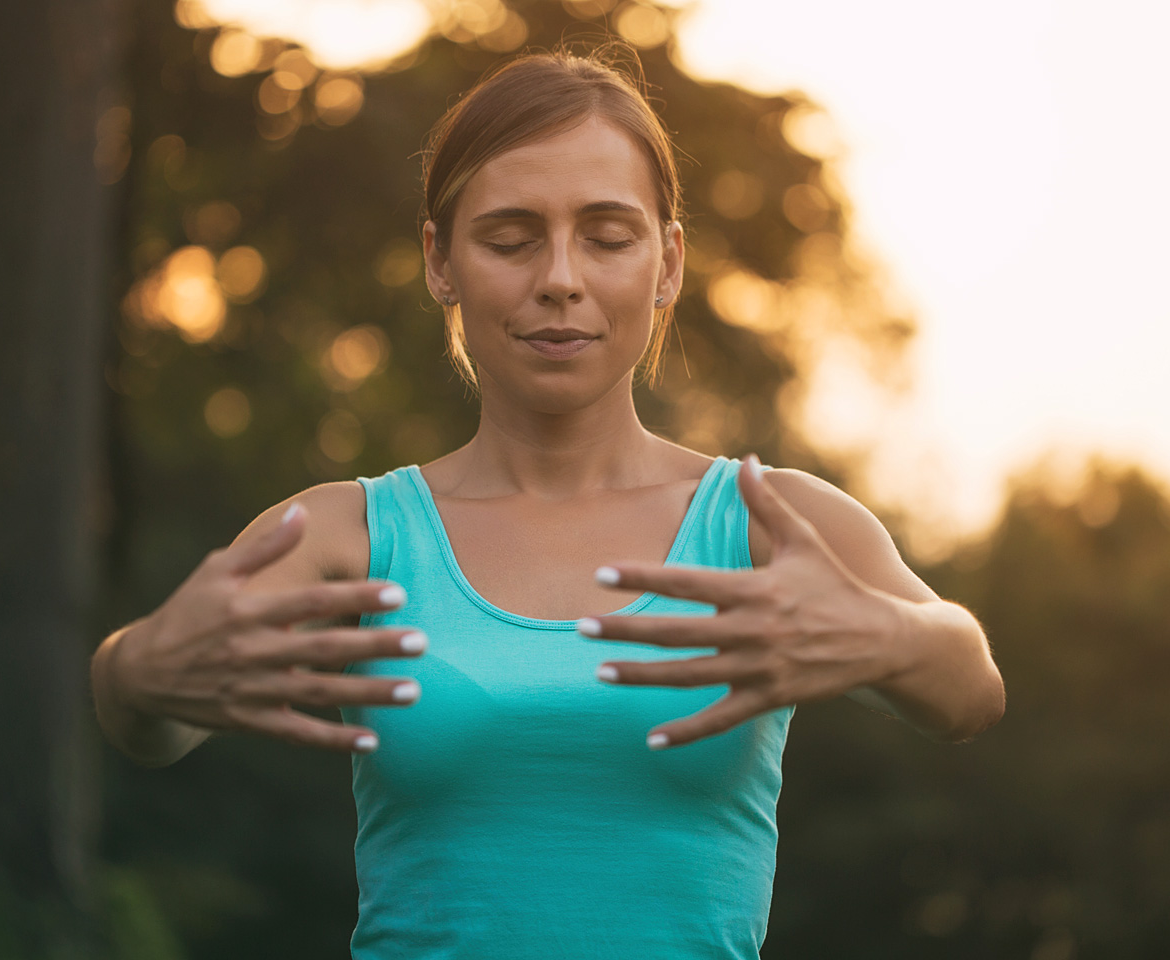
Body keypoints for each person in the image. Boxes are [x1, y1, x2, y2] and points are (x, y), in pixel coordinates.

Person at [90, 46, 1005, 960]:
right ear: (439, 260)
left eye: (608, 237)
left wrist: (890, 637)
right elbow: (147, 717)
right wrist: (138, 672)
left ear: (668, 263)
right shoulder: (349, 536)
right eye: (510, 237)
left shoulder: (772, 523)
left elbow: (970, 693)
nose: (560, 277)